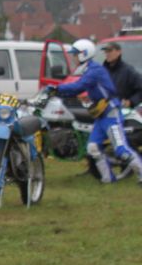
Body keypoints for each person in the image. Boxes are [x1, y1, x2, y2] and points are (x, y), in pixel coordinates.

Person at [51, 39, 142, 183]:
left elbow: (79, 86)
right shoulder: (91, 69)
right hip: (100, 115)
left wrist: (56, 88)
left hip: (111, 113)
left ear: (84, 54)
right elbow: (80, 88)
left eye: (75, 54)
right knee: (93, 148)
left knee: (121, 149)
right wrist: (59, 92)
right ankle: (108, 178)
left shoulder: (95, 70)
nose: (73, 58)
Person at [100, 41, 142, 108]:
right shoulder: (102, 71)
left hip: (121, 110)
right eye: (106, 51)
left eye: (110, 51)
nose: (107, 54)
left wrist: (131, 102)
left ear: (119, 52)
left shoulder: (128, 71)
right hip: (103, 110)